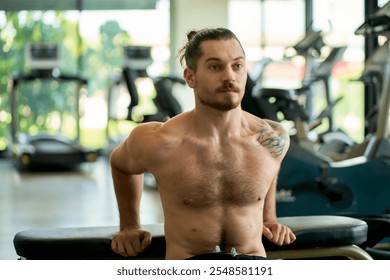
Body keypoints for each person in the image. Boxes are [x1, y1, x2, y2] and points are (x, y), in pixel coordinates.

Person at [110, 27, 296, 260]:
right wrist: (129, 226)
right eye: (215, 66)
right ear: (190, 77)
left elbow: (268, 170)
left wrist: (270, 219)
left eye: (237, 65)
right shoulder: (157, 141)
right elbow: (120, 165)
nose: (230, 76)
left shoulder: (271, 138)